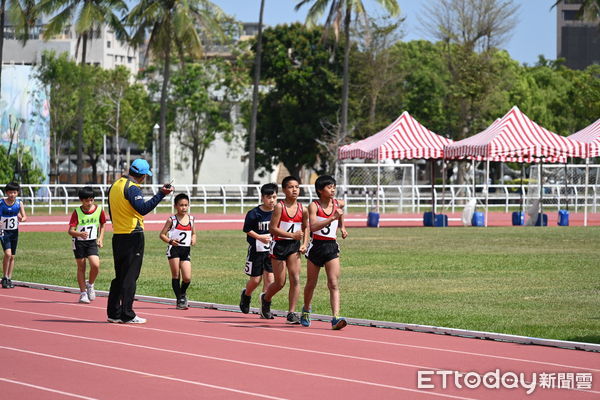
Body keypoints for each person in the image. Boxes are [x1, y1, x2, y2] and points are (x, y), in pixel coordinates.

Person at [107, 159, 173, 324]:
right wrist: (161, 194)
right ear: (143, 175)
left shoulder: (116, 185)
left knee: (120, 276)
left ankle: (113, 313)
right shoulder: (132, 188)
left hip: (118, 235)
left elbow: (110, 208)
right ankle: (127, 313)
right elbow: (142, 209)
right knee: (130, 276)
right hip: (133, 235)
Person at [301, 175, 348, 330]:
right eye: (329, 187)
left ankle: (335, 317)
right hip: (316, 246)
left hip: (331, 247)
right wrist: (333, 218)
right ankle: (306, 309)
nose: (333, 189)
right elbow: (313, 226)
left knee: (333, 283)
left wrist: (342, 226)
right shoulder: (314, 206)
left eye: (334, 186)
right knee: (311, 283)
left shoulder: (338, 203)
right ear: (320, 190)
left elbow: (341, 210)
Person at [260, 176, 309, 323]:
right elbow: (272, 228)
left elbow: (306, 227)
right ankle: (266, 298)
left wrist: (305, 243)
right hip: (279, 246)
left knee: (295, 279)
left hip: (294, 247)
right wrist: (291, 235)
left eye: (297, 187)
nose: (294, 190)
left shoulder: (303, 209)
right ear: (284, 190)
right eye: (290, 187)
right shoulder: (280, 207)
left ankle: (291, 313)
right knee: (280, 282)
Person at [239, 183, 278, 314]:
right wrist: (259, 237)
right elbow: (247, 229)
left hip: (272, 251)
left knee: (270, 279)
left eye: (274, 197)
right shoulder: (254, 213)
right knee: (256, 280)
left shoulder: (278, 212)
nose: (271, 200)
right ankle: (246, 294)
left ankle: (264, 308)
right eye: (268, 197)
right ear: (262, 198)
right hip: (256, 250)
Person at [68, 186, 107, 304]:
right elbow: (70, 231)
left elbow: (103, 224)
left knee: (95, 265)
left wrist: (100, 238)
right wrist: (79, 233)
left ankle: (90, 284)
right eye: (86, 200)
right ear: (81, 200)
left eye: (91, 200)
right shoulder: (77, 212)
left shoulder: (99, 210)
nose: (89, 203)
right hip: (79, 242)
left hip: (91, 242)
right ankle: (83, 293)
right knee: (81, 267)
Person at [159, 193, 196, 310]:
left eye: (186, 205)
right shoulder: (172, 220)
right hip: (174, 249)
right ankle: (179, 299)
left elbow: (194, 232)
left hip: (185, 250)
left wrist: (194, 238)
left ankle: (183, 293)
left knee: (187, 278)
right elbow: (162, 235)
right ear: (176, 206)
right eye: (181, 205)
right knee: (176, 275)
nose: (184, 207)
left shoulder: (191, 219)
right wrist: (170, 241)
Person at [0, 182, 27, 289]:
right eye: (10, 192)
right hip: (3, 231)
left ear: (17, 193)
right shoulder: (1, 203)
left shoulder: (19, 203)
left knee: (12, 256)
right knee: (8, 254)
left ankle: (9, 278)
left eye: (14, 192)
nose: (12, 195)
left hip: (14, 231)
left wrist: (21, 219)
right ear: (6, 193)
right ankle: (4, 277)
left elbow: (25, 217)